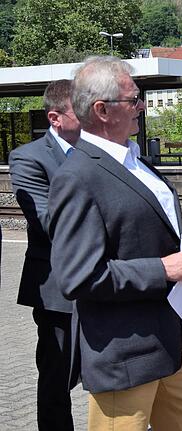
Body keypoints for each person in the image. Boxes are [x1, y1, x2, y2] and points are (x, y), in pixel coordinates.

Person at [47, 56, 182, 431]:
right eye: (133, 99)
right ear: (102, 110)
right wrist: (162, 268)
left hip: (170, 342)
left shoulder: (135, 161)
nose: (141, 105)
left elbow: (145, 230)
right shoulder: (78, 176)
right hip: (125, 355)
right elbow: (77, 276)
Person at [9, 79, 81, 431]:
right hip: (58, 292)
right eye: (80, 110)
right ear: (55, 118)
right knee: (57, 383)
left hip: (107, 284)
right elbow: (49, 222)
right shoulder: (27, 158)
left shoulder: (99, 150)